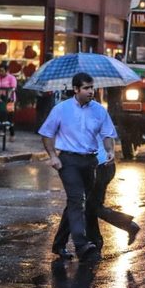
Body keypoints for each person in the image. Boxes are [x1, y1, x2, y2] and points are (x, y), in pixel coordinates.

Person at [39, 72, 117, 262]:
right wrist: (53, 156)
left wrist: (110, 151)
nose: (91, 91)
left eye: (92, 87)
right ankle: (82, 245)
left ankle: (59, 245)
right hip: (68, 161)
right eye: (87, 88)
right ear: (76, 89)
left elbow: (108, 134)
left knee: (75, 204)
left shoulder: (99, 110)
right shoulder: (61, 109)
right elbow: (46, 133)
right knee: (76, 199)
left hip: (90, 162)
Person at [51, 125, 141, 259]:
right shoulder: (96, 113)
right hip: (103, 166)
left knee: (82, 205)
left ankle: (126, 225)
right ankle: (94, 242)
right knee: (88, 206)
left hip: (97, 166)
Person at [0, 62, 17, 142]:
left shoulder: (11, 78)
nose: (0, 72)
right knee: (0, 115)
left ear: (6, 71)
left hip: (9, 100)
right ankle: (0, 131)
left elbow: (13, 88)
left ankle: (12, 134)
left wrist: (8, 97)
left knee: (9, 116)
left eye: (2, 71)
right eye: (0, 70)